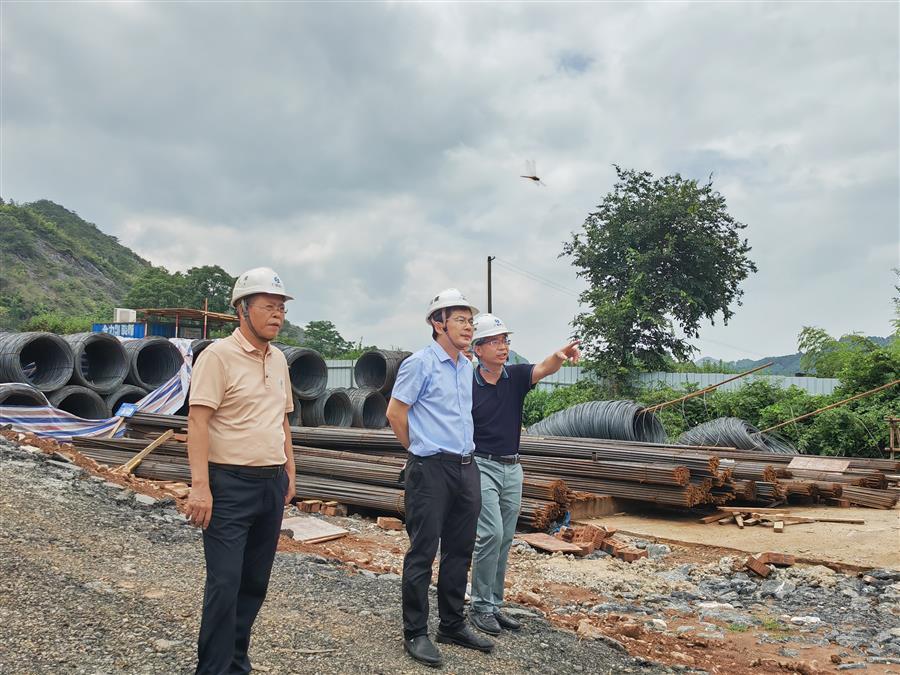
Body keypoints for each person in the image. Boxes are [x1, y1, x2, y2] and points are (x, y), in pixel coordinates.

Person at [185, 267, 297, 675]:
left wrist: (290, 469)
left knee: (254, 583)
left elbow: (282, 418)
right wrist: (200, 487)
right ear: (242, 309)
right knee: (225, 582)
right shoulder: (218, 356)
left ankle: (235, 663)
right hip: (229, 485)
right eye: (268, 307)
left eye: (281, 308)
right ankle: (212, 669)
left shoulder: (279, 359)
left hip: (271, 483)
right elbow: (197, 421)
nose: (277, 315)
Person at [386, 288, 495, 668]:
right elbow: (395, 413)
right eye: (460, 320)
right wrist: (418, 450)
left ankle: (452, 624)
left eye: (470, 321)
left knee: (460, 550)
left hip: (466, 467)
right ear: (438, 322)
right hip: (430, 468)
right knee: (423, 551)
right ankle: (415, 631)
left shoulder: (465, 366)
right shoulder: (420, 364)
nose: (468, 327)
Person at [468, 313, 580, 636]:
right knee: (490, 533)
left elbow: (543, 367)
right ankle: (479, 606)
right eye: (494, 341)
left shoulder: (515, 377)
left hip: (512, 468)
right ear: (478, 349)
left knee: (505, 536)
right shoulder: (467, 384)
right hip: (482, 465)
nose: (502, 346)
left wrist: (559, 355)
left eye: (505, 340)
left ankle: (493, 605)